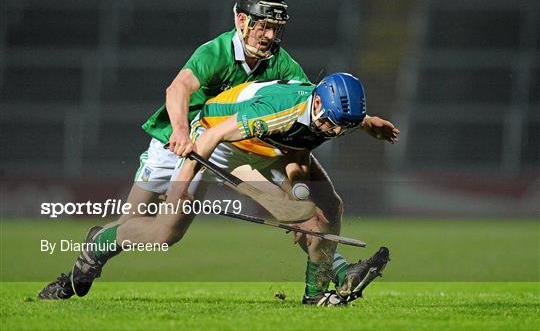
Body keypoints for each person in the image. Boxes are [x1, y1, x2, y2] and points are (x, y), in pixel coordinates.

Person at [37, 0, 395, 302]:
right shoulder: (217, 51)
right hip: (175, 142)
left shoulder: (283, 66)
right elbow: (178, 89)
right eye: (263, 26)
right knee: (147, 228)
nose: (269, 35)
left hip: (232, 145)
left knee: (309, 205)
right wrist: (179, 132)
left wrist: (358, 127)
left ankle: (331, 270)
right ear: (241, 20)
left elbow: (307, 114)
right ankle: (94, 250)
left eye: (276, 28)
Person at [73, 73, 397, 306]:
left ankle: (317, 294)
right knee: (164, 234)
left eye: (344, 126)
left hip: (263, 146)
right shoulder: (276, 112)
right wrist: (179, 192)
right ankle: (102, 240)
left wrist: (370, 125)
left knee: (329, 206)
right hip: (218, 139)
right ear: (316, 105)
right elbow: (211, 140)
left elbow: (315, 138)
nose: (335, 130)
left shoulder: (330, 113)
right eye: (331, 123)